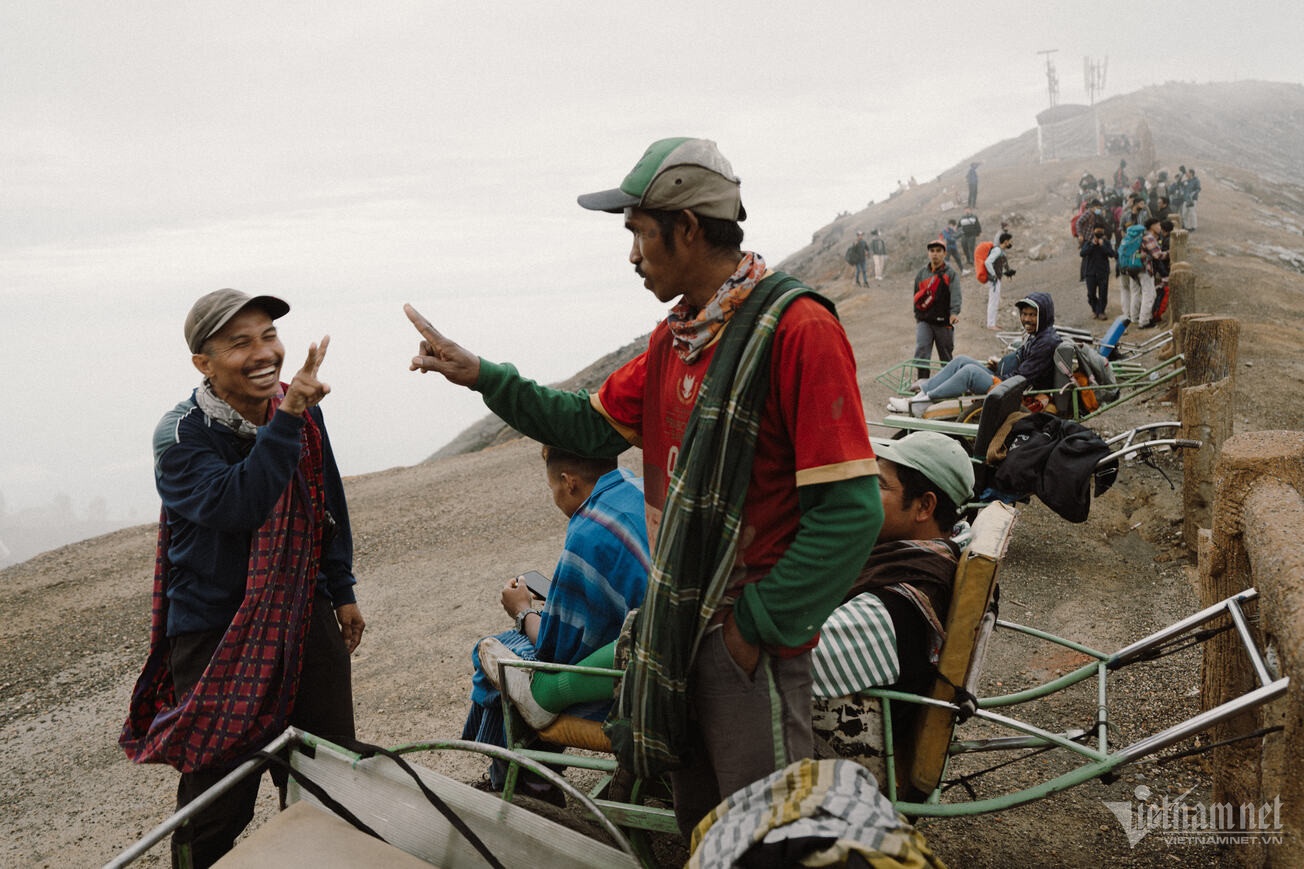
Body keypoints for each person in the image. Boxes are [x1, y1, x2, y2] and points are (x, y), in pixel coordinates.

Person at [403, 136, 883, 839]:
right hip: (676, 633)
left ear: (686, 227)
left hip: (746, 650)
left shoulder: (799, 329)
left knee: (770, 840)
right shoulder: (676, 341)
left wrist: (754, 630)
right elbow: (585, 425)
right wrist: (482, 374)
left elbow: (849, 512)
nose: (631, 255)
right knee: (703, 826)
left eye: (638, 233)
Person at [120, 289, 365, 868]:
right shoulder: (181, 436)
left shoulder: (298, 411)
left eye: (268, 337)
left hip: (303, 610)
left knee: (326, 771)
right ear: (203, 363)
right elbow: (240, 505)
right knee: (219, 796)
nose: (263, 354)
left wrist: (343, 589)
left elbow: (324, 500)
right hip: (214, 630)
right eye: (240, 343)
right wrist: (288, 417)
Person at [464, 445, 650, 800]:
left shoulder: (588, 528)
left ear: (569, 483)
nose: (555, 498)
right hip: (661, 638)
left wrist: (522, 612)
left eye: (553, 489)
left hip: (637, 680)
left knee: (496, 664)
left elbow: (557, 648)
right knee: (508, 657)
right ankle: (523, 773)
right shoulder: (637, 488)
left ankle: (524, 781)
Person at [810, 431, 974, 701]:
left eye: (879, 484)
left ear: (924, 506)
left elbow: (774, 672)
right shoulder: (925, 555)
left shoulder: (894, 606)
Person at [889, 292, 1061, 413]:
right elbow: (1023, 362)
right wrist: (999, 365)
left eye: (1032, 315)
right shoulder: (1039, 335)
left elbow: (1024, 377)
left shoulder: (1045, 342)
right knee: (961, 360)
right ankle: (922, 394)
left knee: (970, 373)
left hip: (1017, 390)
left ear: (1044, 316)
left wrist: (997, 377)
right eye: (1024, 314)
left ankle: (921, 403)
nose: (1026, 319)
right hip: (1009, 379)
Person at [912, 239, 962, 380]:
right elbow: (916, 296)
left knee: (946, 356)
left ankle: (949, 385)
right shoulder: (921, 274)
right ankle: (921, 385)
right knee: (922, 351)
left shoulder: (950, 274)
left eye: (938, 251)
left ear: (944, 253)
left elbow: (956, 294)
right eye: (932, 251)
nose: (935, 254)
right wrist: (918, 316)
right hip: (925, 321)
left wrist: (954, 313)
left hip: (943, 321)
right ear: (928, 253)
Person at [1137, 217, 1168, 328]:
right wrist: (1168, 253)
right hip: (1145, 268)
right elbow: (1157, 255)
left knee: (1141, 293)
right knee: (1148, 294)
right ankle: (1144, 322)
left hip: (1136, 267)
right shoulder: (1149, 237)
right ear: (1152, 226)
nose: (1160, 228)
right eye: (1158, 225)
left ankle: (1139, 317)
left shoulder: (1141, 236)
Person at [1081, 226, 1116, 320]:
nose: (1099, 234)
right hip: (1090, 272)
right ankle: (1095, 309)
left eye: (1101, 232)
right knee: (1091, 294)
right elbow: (1082, 253)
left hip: (1103, 272)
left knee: (1103, 293)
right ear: (1093, 232)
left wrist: (1102, 245)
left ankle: (1101, 311)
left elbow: (1112, 254)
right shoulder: (1089, 242)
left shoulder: (1106, 242)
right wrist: (1092, 244)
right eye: (1097, 232)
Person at [983, 232, 1016, 330]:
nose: (1010, 243)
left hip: (997, 279)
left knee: (995, 300)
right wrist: (993, 275)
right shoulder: (997, 250)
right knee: (993, 301)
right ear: (1005, 242)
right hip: (994, 280)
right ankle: (991, 324)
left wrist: (1007, 272)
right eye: (1010, 241)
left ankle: (992, 323)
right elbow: (987, 262)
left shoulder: (1001, 251)